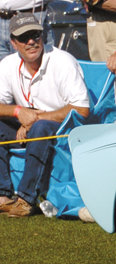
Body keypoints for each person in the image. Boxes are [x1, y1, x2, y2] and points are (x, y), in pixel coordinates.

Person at [0, 14, 89, 218]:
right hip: (27, 125)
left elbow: (82, 109)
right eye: (24, 37)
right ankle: (3, 196)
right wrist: (18, 111)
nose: (31, 41)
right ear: (14, 43)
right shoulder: (7, 64)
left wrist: (34, 119)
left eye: (35, 35)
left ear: (43, 36)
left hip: (64, 128)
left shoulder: (62, 61)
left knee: (40, 128)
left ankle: (26, 199)